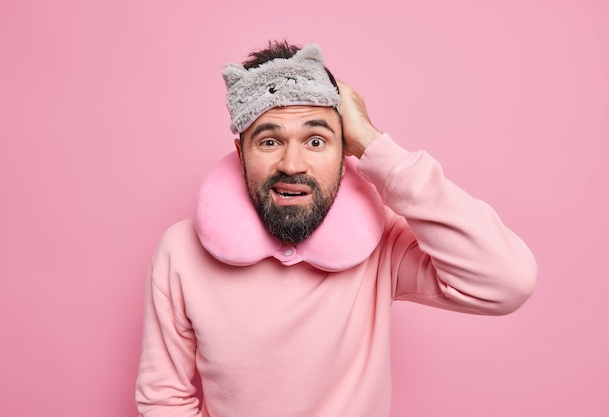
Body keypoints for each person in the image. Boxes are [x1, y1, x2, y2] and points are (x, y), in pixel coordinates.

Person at [135, 41, 537, 417]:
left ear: (344, 148)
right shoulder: (181, 252)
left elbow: (508, 281)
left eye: (316, 141)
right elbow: (164, 399)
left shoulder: (384, 245)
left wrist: (375, 145)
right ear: (241, 152)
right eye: (269, 142)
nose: (292, 164)